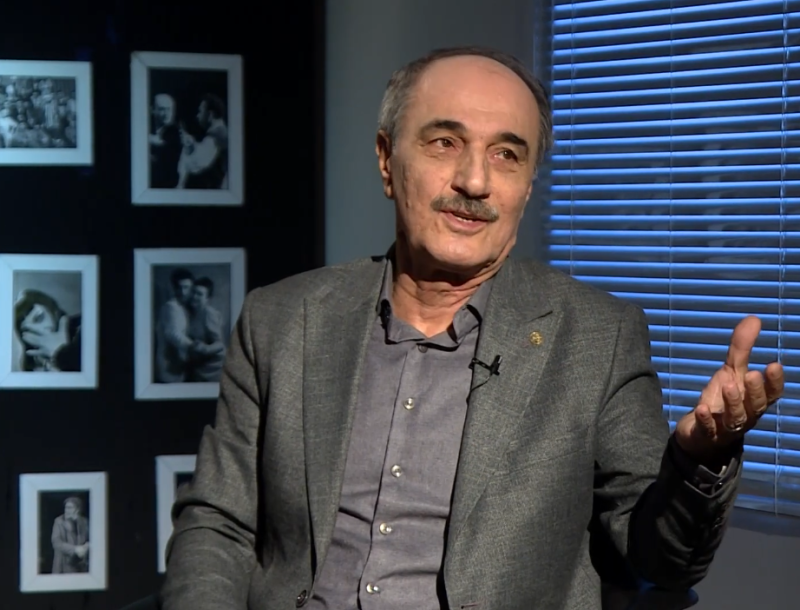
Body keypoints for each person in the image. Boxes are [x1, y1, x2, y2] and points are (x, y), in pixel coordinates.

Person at [161, 47, 785, 610]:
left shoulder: (597, 338)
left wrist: (700, 461)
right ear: (386, 160)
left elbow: (663, 563)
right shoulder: (282, 319)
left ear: (527, 186)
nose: (475, 182)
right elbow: (218, 522)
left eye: (506, 155)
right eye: (444, 143)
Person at [14, 289, 81, 372]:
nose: (38, 329)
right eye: (28, 330)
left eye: (39, 318)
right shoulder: (34, 365)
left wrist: (61, 353)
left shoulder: (86, 330)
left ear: (53, 311)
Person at [154, 269, 195, 383]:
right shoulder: (171, 307)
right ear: (174, 288)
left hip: (178, 361)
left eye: (186, 287)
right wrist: (195, 346)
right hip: (169, 362)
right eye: (179, 287)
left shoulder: (182, 308)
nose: (182, 292)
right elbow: (173, 334)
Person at [185, 276, 226, 382]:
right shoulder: (193, 312)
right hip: (200, 365)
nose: (194, 296)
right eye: (193, 292)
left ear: (208, 298)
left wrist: (205, 349)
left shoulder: (209, 314)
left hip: (213, 368)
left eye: (199, 294)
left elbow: (219, 344)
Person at [51, 496, 89, 574]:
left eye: (70, 508)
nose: (67, 510)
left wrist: (86, 547)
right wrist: (75, 549)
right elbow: (56, 542)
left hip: (80, 564)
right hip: (63, 564)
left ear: (77, 509)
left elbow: (88, 539)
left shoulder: (84, 521)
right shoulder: (59, 521)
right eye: (66, 507)